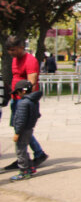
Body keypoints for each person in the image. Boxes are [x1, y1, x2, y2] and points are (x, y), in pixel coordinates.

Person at [4, 35, 48, 171]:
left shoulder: (30, 60)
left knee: (23, 130)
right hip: (16, 99)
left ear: (22, 47)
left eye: (13, 50)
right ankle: (29, 156)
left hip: (24, 101)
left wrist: (22, 97)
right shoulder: (15, 59)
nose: (11, 53)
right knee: (20, 128)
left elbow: (32, 84)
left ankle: (33, 156)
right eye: (9, 50)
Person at [9, 80, 42, 182]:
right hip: (29, 128)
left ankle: (24, 171)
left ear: (22, 91)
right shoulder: (34, 101)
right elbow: (38, 115)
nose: (17, 95)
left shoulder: (23, 103)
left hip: (22, 130)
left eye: (18, 92)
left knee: (20, 150)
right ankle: (30, 167)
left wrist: (17, 132)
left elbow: (21, 119)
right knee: (24, 148)